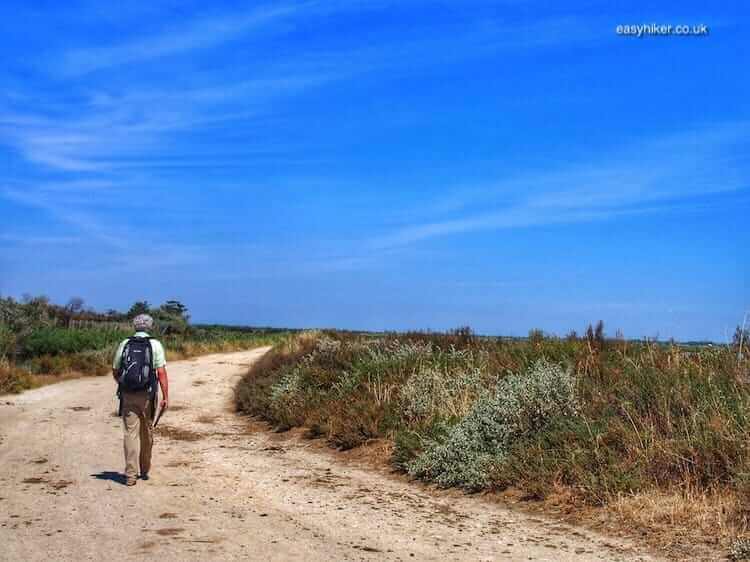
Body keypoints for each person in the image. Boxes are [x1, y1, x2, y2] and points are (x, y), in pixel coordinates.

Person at [112, 314, 169, 486]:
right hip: (148, 395)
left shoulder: (125, 343)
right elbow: (161, 373)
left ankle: (130, 475)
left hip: (128, 394)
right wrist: (166, 397)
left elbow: (115, 369)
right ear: (150, 326)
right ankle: (144, 468)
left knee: (130, 434)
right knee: (147, 432)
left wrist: (123, 385)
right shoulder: (155, 345)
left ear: (134, 326)